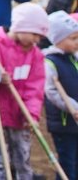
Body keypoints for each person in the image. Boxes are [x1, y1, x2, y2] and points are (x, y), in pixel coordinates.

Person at [0, 2, 48, 180]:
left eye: (40, 36)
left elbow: (34, 87)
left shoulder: (35, 54)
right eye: (35, 34)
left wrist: (31, 114)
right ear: (21, 26)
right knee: (1, 160)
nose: (37, 40)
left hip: (21, 118)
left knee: (23, 158)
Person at [44, 11, 78, 180]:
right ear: (58, 39)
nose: (77, 42)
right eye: (73, 38)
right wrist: (72, 107)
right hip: (64, 122)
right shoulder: (50, 61)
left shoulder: (74, 58)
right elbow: (51, 91)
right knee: (67, 162)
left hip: (76, 121)